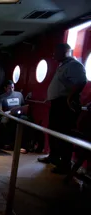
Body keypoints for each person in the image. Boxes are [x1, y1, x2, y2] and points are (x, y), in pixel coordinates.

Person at [38, 43, 87, 174]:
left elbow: (81, 82)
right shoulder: (62, 66)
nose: (53, 55)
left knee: (64, 134)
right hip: (57, 104)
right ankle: (53, 157)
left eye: (56, 52)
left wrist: (69, 98)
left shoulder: (74, 65)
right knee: (53, 131)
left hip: (65, 105)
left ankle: (65, 164)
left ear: (64, 52)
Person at [0, 80, 28, 153]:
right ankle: (10, 144)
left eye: (13, 88)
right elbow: (0, 109)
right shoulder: (1, 97)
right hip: (8, 115)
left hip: (19, 114)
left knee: (26, 121)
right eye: (9, 88)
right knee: (8, 123)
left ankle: (24, 145)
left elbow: (23, 105)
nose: (11, 90)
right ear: (5, 88)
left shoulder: (19, 94)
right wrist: (6, 113)